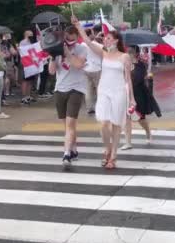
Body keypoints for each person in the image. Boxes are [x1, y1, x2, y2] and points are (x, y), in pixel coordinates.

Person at [73, 16, 134, 170]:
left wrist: (132, 99)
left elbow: (128, 79)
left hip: (119, 91)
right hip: (104, 90)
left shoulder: (124, 57)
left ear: (115, 41)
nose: (105, 40)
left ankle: (113, 155)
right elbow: (87, 41)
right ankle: (107, 148)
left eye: (108, 38)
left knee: (115, 125)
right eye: (105, 38)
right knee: (103, 124)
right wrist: (78, 26)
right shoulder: (103, 52)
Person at [49, 23, 88, 168]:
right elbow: (52, 72)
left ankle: (66, 154)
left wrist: (66, 51)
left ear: (77, 38)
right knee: (66, 126)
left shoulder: (82, 49)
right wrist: (53, 56)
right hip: (60, 89)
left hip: (76, 89)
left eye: (72, 40)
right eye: (67, 39)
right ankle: (74, 149)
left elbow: (78, 64)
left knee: (71, 123)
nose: (69, 43)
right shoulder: (57, 49)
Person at [122, 46, 161, 149]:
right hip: (125, 93)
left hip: (138, 94)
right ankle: (128, 142)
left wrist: (130, 72)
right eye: (127, 52)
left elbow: (139, 79)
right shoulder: (124, 64)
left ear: (135, 53)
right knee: (127, 119)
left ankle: (148, 131)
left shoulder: (140, 65)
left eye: (131, 52)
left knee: (140, 118)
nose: (128, 54)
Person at [84, 28, 102, 114]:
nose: (94, 35)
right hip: (97, 69)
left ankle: (89, 108)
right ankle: (99, 107)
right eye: (92, 33)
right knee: (99, 89)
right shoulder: (97, 45)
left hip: (86, 69)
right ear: (89, 35)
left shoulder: (82, 45)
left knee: (88, 89)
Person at [20, 30, 37, 105]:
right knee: (25, 80)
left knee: (30, 81)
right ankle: (24, 97)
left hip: (31, 63)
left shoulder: (32, 42)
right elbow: (22, 53)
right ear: (26, 35)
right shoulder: (23, 42)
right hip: (25, 63)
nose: (32, 36)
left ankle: (28, 96)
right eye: (30, 35)